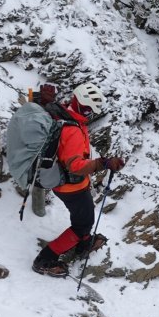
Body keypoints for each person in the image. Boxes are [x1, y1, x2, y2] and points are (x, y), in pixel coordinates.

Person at [32, 81, 125, 277]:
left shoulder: (65, 114)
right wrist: (104, 163)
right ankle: (45, 258)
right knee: (82, 223)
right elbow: (75, 166)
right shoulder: (72, 129)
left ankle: (83, 242)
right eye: (90, 110)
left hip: (67, 183)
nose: (90, 115)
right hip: (71, 187)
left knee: (83, 218)